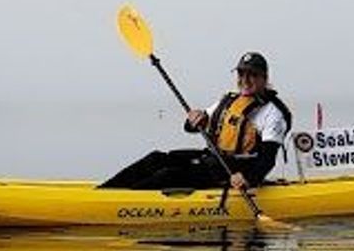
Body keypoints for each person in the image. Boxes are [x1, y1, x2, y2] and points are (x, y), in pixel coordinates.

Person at [100, 51, 294, 191]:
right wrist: (194, 120)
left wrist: (248, 179)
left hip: (234, 171)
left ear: (264, 78)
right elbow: (192, 127)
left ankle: (118, 204)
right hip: (213, 160)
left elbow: (268, 159)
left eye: (252, 75)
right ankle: (105, 192)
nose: (245, 79)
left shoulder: (272, 113)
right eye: (241, 73)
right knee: (156, 158)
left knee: (168, 175)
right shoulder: (231, 99)